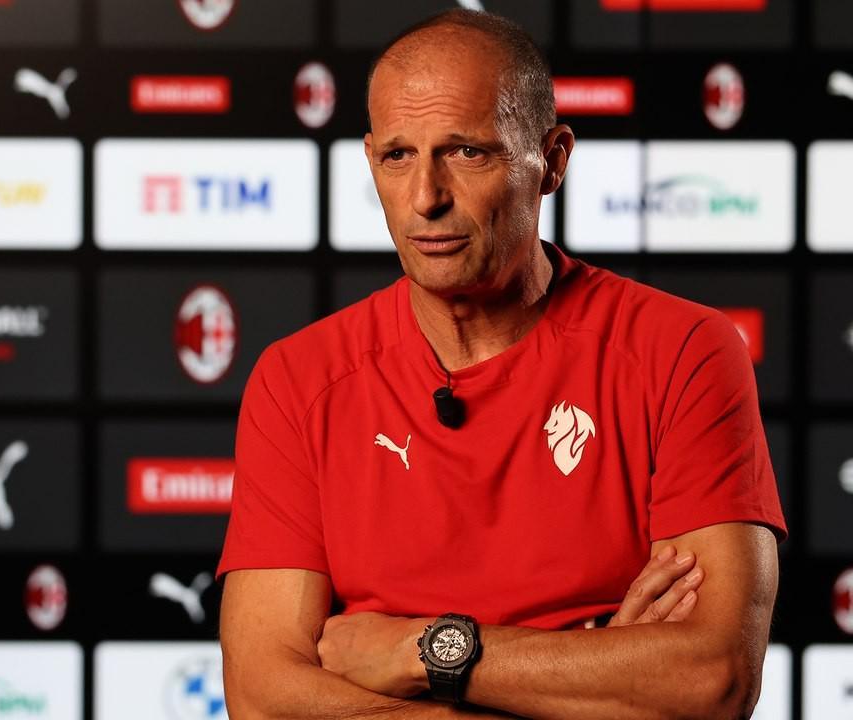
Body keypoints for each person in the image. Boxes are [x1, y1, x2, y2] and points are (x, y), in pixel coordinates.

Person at [216, 9, 786, 718]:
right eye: (398, 156)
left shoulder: (682, 351)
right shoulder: (300, 380)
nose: (425, 197)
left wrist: (418, 652)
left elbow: (711, 679)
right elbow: (264, 698)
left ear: (552, 160)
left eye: (467, 152)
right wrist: (595, 676)